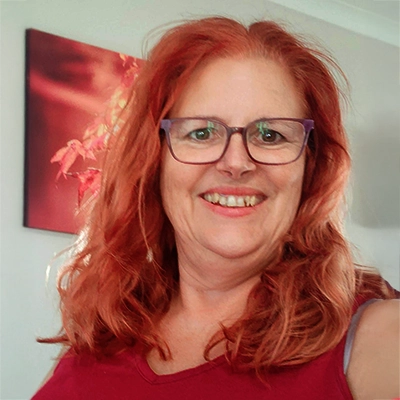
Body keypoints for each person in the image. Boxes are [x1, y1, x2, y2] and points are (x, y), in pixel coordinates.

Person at [32, 17, 399, 400]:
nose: (236, 162)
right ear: (154, 161)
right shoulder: (101, 335)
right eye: (202, 132)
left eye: (271, 134)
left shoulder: (379, 339)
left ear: (311, 167)